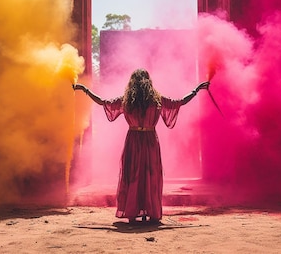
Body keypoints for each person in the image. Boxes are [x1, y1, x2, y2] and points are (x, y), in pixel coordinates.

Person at [73, 68, 209, 225]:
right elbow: (179, 102)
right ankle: (151, 212)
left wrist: (85, 90)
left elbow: (104, 102)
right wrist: (196, 89)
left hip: (134, 140)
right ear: (148, 82)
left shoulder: (127, 100)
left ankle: (132, 213)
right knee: (151, 176)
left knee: (133, 176)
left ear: (132, 83)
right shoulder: (156, 100)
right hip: (150, 141)